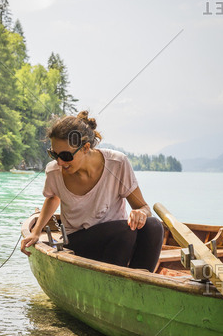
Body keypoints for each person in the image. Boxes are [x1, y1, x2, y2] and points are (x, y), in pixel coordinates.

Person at [21, 111, 164, 271]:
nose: (60, 162)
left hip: (120, 238)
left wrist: (141, 213)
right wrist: (36, 231)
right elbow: (53, 198)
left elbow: (143, 208)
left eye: (66, 156)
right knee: (125, 231)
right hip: (79, 240)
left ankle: (140, 281)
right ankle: (113, 283)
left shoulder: (117, 163)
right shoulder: (54, 171)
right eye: (54, 154)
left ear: (85, 148)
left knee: (154, 226)